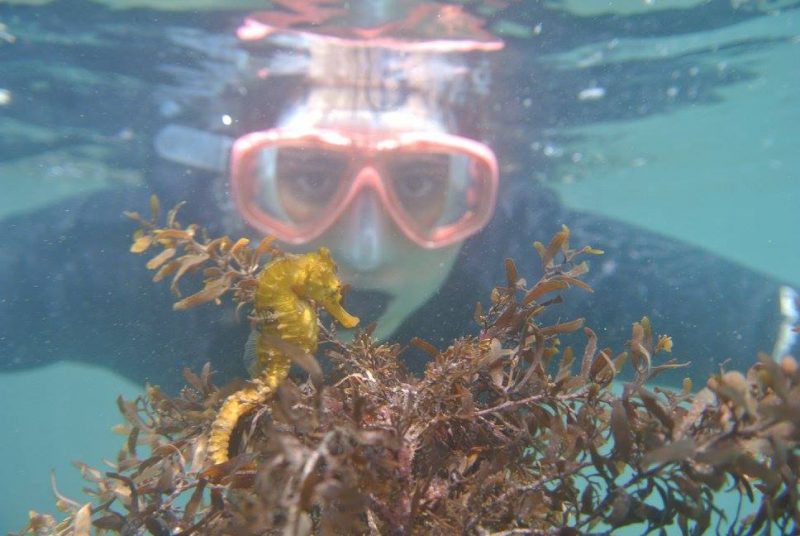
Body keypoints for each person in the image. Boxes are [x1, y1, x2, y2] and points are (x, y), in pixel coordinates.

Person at [0, 3, 792, 394]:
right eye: (310, 178)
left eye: (421, 184)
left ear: (482, 192)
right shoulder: (133, 261)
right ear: (238, 191)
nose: (364, 248)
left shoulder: (537, 275)